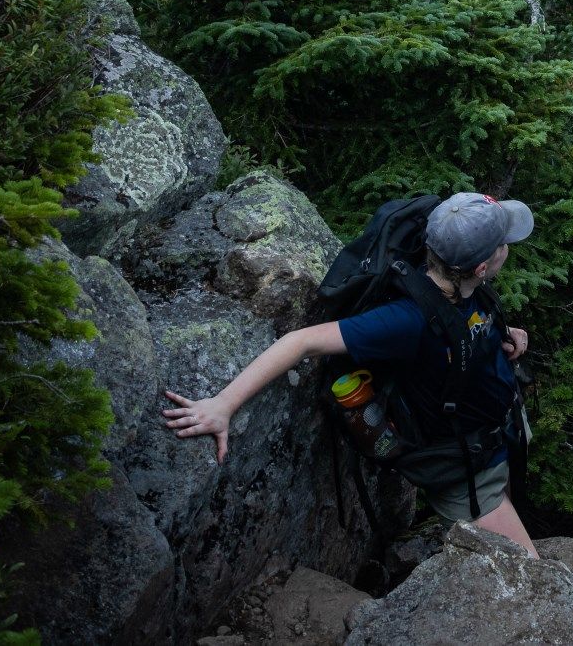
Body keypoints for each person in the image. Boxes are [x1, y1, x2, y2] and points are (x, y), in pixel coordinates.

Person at [161, 191, 538, 554]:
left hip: (493, 441)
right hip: (465, 473)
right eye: (503, 243)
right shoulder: (404, 320)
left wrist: (499, 335)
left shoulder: (459, 284)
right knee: (528, 583)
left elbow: (459, 331)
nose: (508, 247)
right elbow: (299, 342)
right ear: (482, 267)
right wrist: (223, 404)